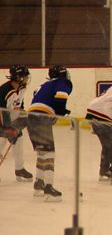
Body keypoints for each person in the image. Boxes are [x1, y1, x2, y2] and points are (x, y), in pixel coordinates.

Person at [26, 65, 73, 201]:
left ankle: (39, 183)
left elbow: (36, 99)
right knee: (50, 154)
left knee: (42, 152)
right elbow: (60, 98)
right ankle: (48, 187)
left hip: (31, 118)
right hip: (42, 119)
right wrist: (60, 113)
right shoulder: (63, 82)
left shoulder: (43, 85)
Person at [0, 65, 33, 182]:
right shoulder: (4, 90)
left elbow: (19, 103)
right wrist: (7, 128)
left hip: (11, 122)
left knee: (18, 141)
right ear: (18, 77)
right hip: (2, 122)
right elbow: (1, 111)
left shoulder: (22, 87)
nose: (26, 79)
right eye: (24, 76)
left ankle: (19, 169)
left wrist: (21, 115)